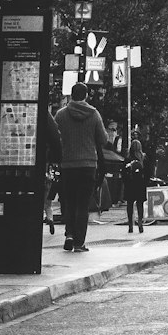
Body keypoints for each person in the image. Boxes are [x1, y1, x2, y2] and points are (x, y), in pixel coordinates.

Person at [54, 83, 109, 253]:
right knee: (82, 205)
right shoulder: (93, 114)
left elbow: (55, 137)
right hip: (87, 165)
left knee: (69, 201)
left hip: (68, 165)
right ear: (85, 95)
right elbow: (103, 139)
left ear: (71, 95)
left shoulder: (61, 114)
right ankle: (79, 243)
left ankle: (69, 234)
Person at [122, 131, 147, 233]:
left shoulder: (128, 158)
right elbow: (147, 172)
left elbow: (123, 172)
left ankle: (130, 225)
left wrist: (126, 181)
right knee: (140, 205)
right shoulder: (143, 158)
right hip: (140, 184)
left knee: (130, 205)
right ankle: (140, 223)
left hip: (130, 184)